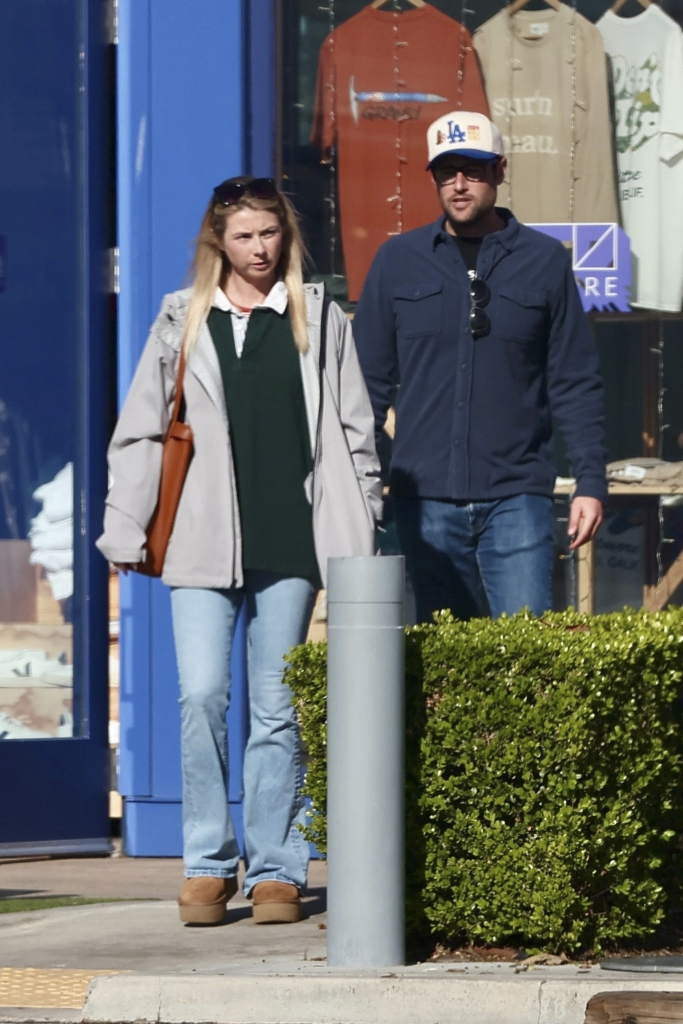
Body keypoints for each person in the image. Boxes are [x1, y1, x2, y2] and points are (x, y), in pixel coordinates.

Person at [97, 176, 381, 925]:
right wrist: (124, 525)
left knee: (276, 709)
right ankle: (206, 865)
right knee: (200, 697)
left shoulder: (319, 319)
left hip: (290, 537)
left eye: (271, 233)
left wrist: (365, 519)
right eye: (246, 235)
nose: (260, 249)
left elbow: (355, 433)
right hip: (198, 538)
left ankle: (277, 868)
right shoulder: (180, 321)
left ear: (285, 236)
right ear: (217, 242)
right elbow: (140, 429)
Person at [353, 112, 606, 624]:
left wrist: (590, 482)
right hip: (424, 502)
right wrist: (361, 486)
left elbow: (574, 381)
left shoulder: (545, 261)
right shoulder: (398, 260)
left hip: (518, 498)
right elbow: (364, 388)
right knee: (444, 673)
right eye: (447, 172)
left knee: (528, 662)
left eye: (472, 169)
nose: (459, 185)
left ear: (500, 171)